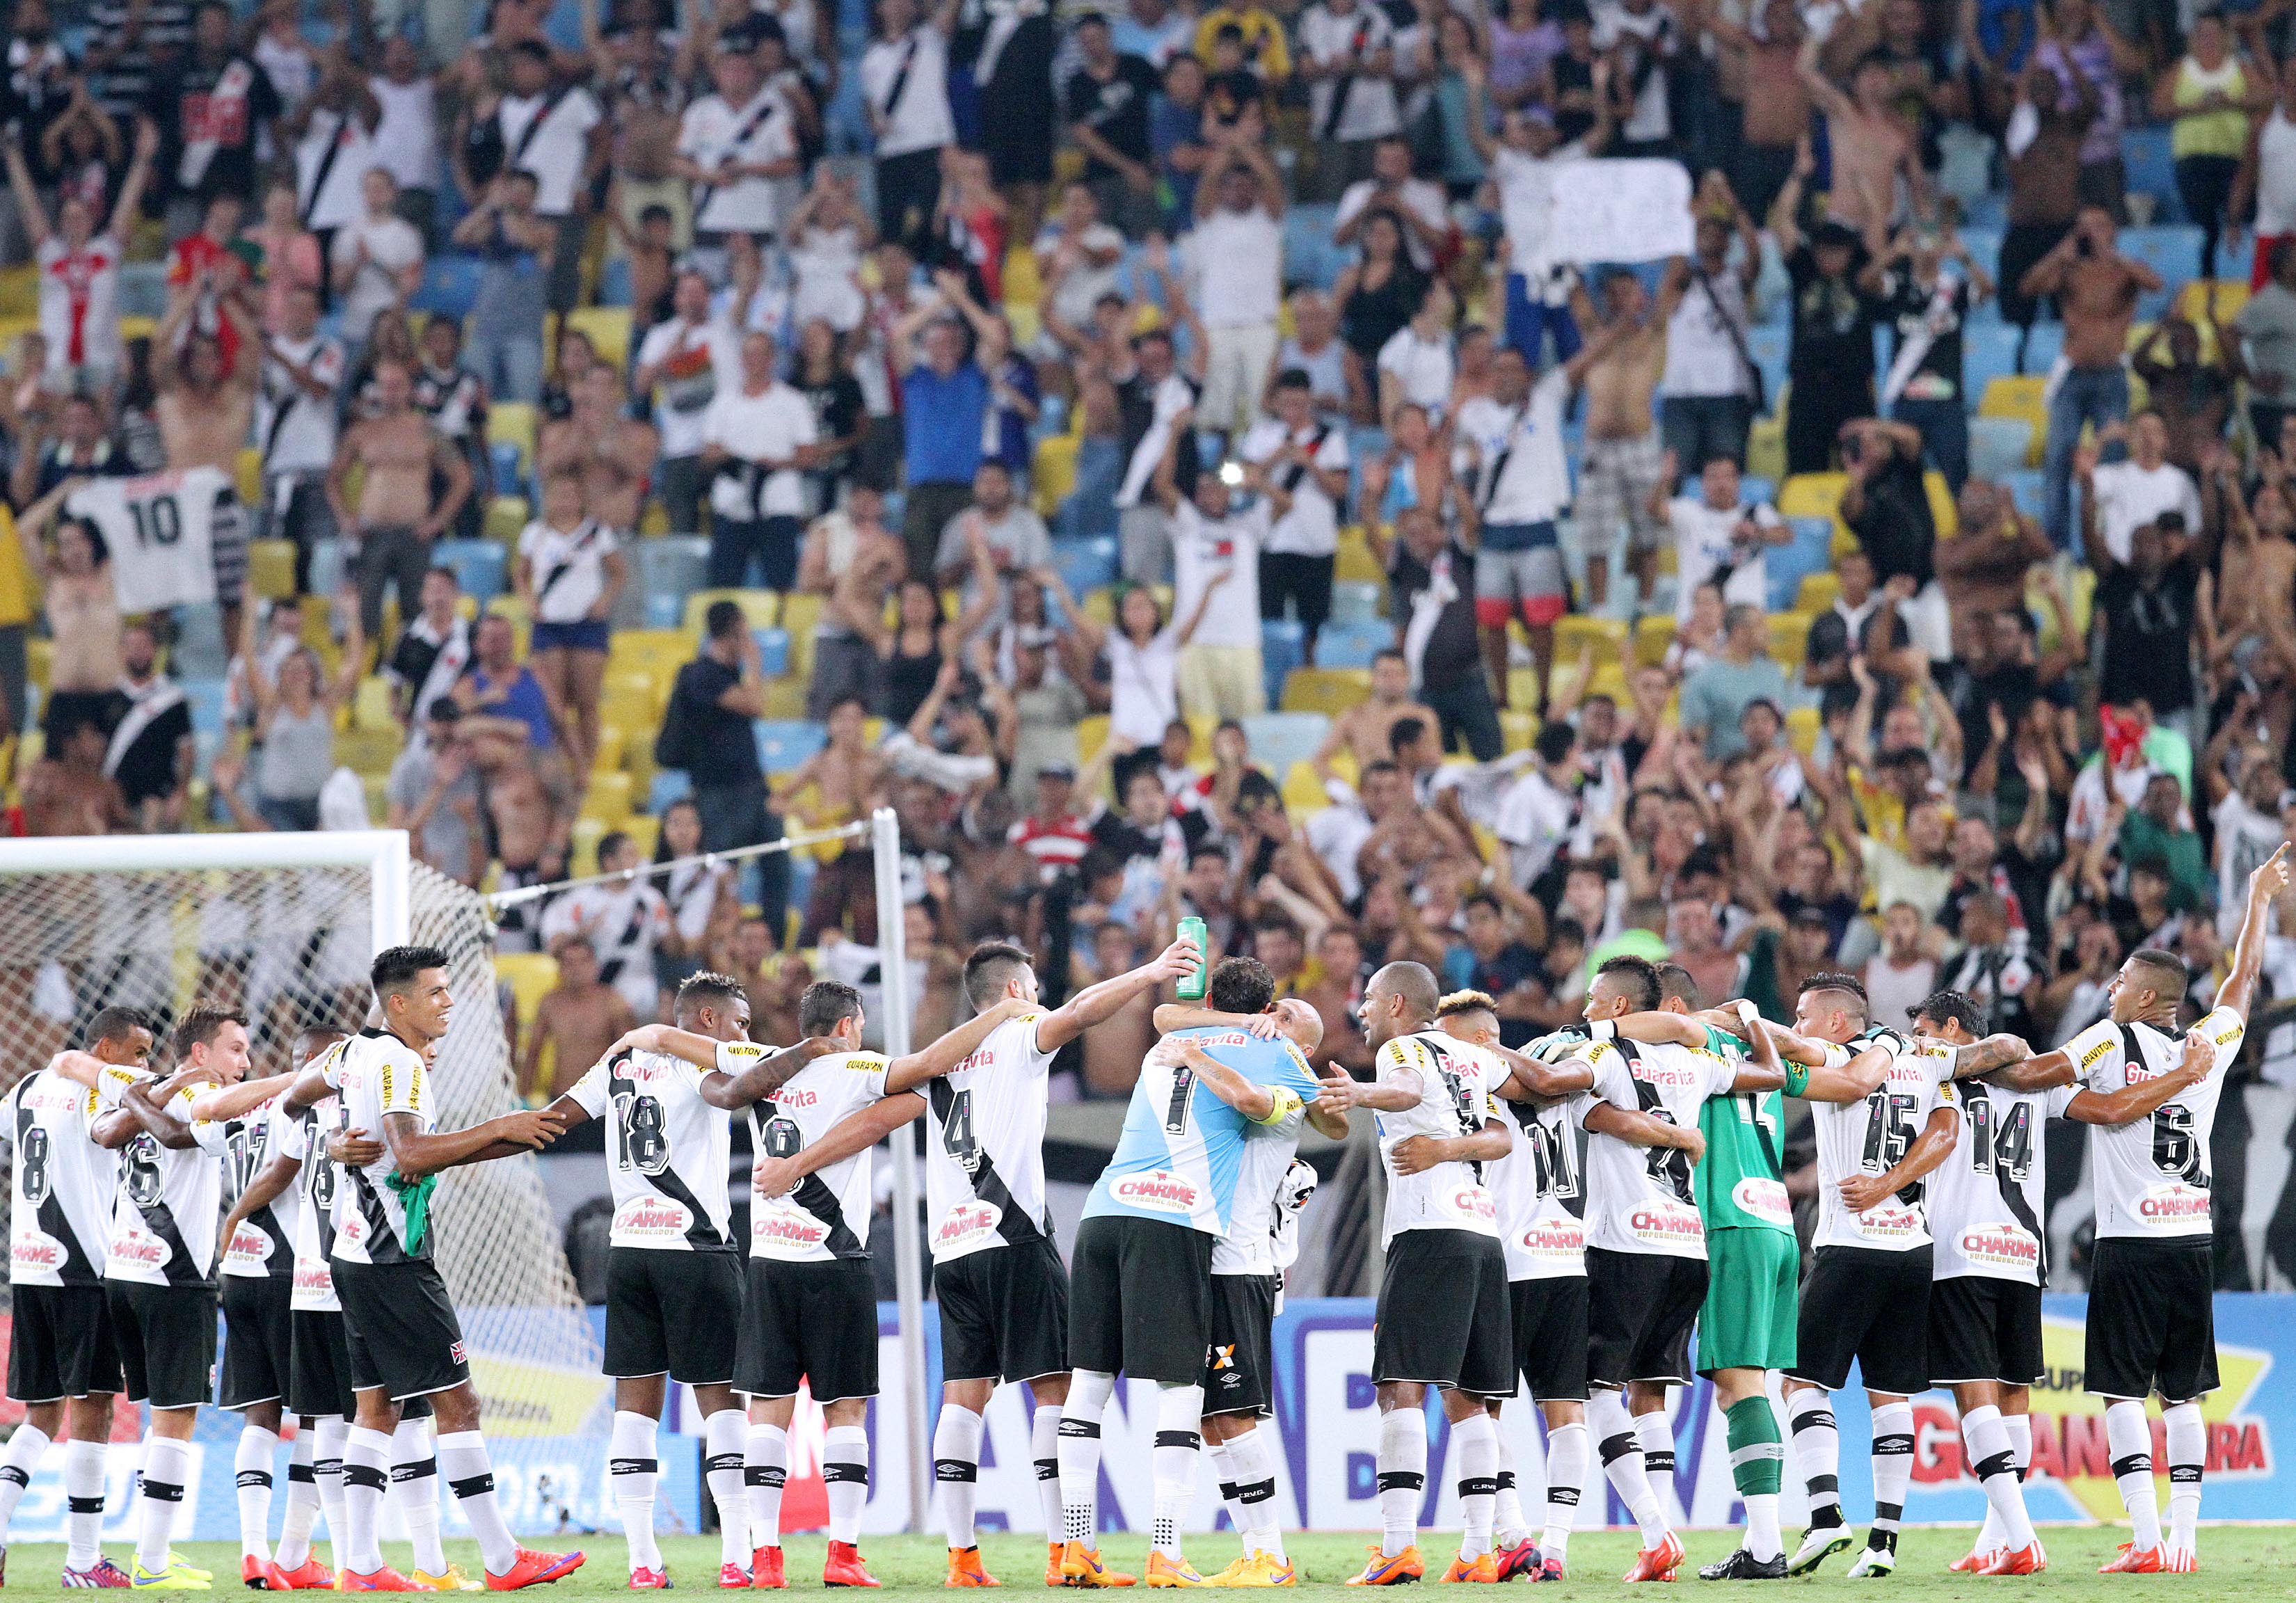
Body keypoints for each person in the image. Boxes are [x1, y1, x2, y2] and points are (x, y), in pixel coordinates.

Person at [1977, 846, 2288, 1572]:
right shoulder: (2206, 1042)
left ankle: (2147, 1540)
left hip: (2130, 1241)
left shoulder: (2111, 1038)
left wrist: (1976, 1056)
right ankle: (2184, 1541)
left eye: (2121, 982)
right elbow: (2241, 983)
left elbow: (2036, 1073)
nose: (2111, 988)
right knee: (2185, 1397)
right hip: (2191, 1240)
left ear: (2145, 997)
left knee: (2121, 1394)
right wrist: (2259, 901)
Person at [274, 948, 580, 1590]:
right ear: (399, 1004)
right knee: (460, 1404)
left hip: (353, 1255)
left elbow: (293, 1102)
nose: (449, 1002)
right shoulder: (399, 1059)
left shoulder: (349, 1054)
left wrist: (329, 1144)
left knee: (378, 1410)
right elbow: (411, 1153)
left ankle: (359, 1565)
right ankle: (502, 1559)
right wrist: (501, 1124)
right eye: (436, 992)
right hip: (394, 1260)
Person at [520, 978, 824, 1586]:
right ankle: (737, 1557)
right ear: (706, 1019)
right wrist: (808, 1051)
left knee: (635, 1411)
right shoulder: (691, 1061)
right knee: (720, 1402)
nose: (743, 1036)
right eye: (738, 1024)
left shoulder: (621, 1066)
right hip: (695, 1251)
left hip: (628, 1253)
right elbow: (735, 1090)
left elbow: (552, 1120)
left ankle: (641, 1562)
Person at [1918, 990, 2215, 1575]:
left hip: (1962, 1252)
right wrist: (2184, 1077)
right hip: (2023, 1256)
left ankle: (2022, 1539)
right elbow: (2109, 1111)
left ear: (1952, 1029)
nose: (1920, 1040)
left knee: (1975, 1393)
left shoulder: (1935, 1077)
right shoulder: (2037, 1085)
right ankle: (1995, 1539)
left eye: (1926, 1030)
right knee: (2012, 1397)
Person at [1053, 952, 1321, 1587]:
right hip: (1174, 1223)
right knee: (1182, 1390)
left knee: (1088, 1385)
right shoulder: (1274, 1052)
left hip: (1102, 1213)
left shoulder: (1168, 1039)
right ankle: (1166, 1549)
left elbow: (1170, 1013)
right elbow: (1315, 1113)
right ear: (1265, 1011)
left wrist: (1192, 1029)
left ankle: (1075, 1547)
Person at [1508, 960, 1780, 1584]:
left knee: (1590, 1393)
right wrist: (1754, 1021)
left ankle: (1651, 1534)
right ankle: (1658, 1533)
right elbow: (1768, 1074)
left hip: (1624, 1245)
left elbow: (1548, 1079)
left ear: (1623, 1008)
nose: (1585, 1012)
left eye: (1596, 1001)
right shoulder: (1696, 1062)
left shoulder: (1604, 1053)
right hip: (1688, 1249)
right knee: (1647, 1390)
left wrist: (1485, 1046)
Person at [1762, 975, 1954, 1579]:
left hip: (1852, 1245)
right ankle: (1885, 1543)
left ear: (1839, 1022)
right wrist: (1894, 1184)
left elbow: (1796, 1052)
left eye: (1802, 1015)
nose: (1797, 1027)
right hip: (1913, 1247)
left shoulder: (1844, 1054)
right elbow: (1945, 1133)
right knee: (1890, 1397)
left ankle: (1824, 1516)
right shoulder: (1923, 1064)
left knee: (1798, 1383)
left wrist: (1741, 1018)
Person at [0, 1008, 153, 1588]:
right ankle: (85, 1561)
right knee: (93, 1409)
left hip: (30, 1265)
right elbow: (106, 1129)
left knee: (41, 1414)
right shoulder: (99, 1095)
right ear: (107, 1050)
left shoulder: (29, 1087)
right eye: (138, 1051)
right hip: (84, 1269)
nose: (145, 1063)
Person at [2022, 207, 2164, 548]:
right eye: (2084, 227)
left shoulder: (2125, 270)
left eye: (2099, 226)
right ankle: (2055, 547)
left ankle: (2110, 541)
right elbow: (2028, 287)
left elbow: (2155, 284)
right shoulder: (2068, 271)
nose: (2091, 233)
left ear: (2113, 230)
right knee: (2058, 459)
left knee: (2112, 460)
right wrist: (2060, 254)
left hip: (2111, 375)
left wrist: (2111, 256)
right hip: (2072, 375)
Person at [324, 359, 473, 645]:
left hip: (414, 531)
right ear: (377, 390)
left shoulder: (427, 431)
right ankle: (366, 677)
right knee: (363, 615)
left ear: (410, 390)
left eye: (397, 386)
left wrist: (438, 522)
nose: (391, 392)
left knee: (417, 615)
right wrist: (345, 518)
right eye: (386, 386)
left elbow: (462, 478)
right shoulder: (363, 431)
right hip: (371, 532)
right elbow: (333, 479)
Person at [6, 114, 154, 397]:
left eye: (80, 217)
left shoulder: (106, 250)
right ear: (60, 223)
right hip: (56, 364)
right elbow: (30, 208)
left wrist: (142, 160)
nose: (74, 223)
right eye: (67, 217)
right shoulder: (51, 253)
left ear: (92, 220)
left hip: (102, 362)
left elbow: (126, 205)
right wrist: (13, 158)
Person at [1151, 408, 1263, 720]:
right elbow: (1162, 486)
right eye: (1204, 489)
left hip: (1243, 640)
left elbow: (1286, 506)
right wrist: (1173, 434)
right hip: (1194, 641)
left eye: (1219, 487)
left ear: (1230, 492)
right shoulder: (1188, 525)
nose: (1211, 494)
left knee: (1248, 726)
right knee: (1198, 727)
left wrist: (1257, 482)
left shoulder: (1248, 527)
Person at [1239, 369, 1348, 661]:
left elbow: (1340, 489)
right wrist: (1275, 458)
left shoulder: (1329, 438)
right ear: (1275, 402)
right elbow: (1241, 481)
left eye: (1299, 404)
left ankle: (1309, 677)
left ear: (1310, 401)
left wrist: (1310, 464)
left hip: (1315, 543)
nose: (1293, 411)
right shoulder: (1261, 435)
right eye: (1286, 404)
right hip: (1272, 540)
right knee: (1269, 618)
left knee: (1314, 622)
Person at [633, 269, 738, 536]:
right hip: (679, 449)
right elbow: (640, 385)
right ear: (676, 299)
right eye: (684, 292)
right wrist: (667, 358)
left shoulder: (725, 331)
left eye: (696, 291)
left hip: (722, 445)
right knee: (681, 528)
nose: (690, 298)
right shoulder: (661, 335)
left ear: (708, 297)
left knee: (729, 522)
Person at [451, 168, 553, 407]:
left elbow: (522, 238)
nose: (518, 198)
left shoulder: (546, 230)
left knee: (526, 403)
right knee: (472, 402)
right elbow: (460, 236)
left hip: (524, 335)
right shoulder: (493, 230)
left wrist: (504, 207)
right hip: (485, 332)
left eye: (524, 194)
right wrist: (488, 206)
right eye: (514, 192)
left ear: (535, 198)